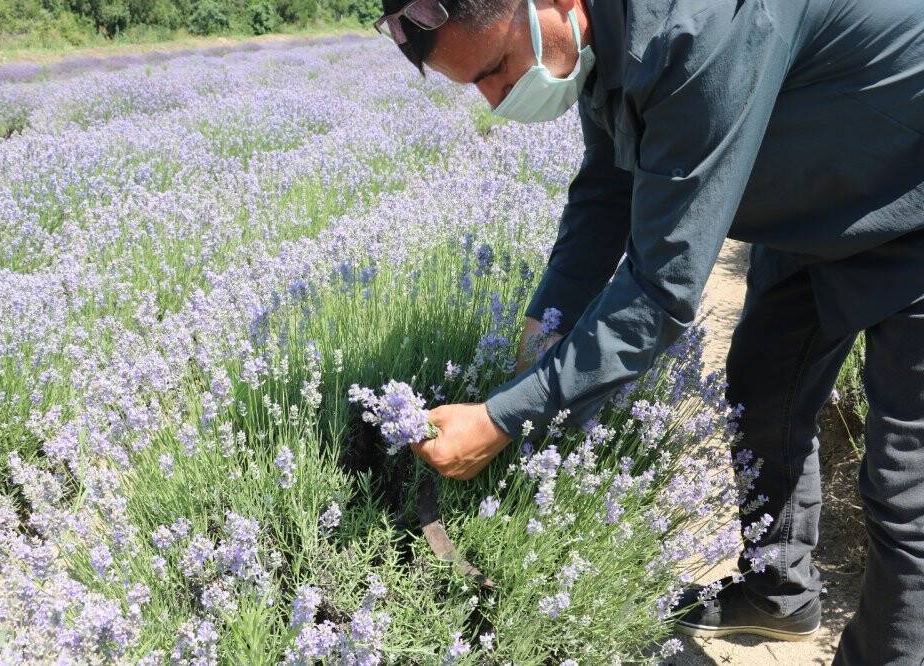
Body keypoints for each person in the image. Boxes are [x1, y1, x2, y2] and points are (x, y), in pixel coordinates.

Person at [379, 0, 924, 662]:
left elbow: (661, 290)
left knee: (905, 487)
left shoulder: (695, 27)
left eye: (496, 67)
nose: (496, 100)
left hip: (906, 186)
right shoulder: (601, 39)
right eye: (476, 85)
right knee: (763, 387)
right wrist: (545, 323)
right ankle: (779, 594)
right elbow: (608, 187)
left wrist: (502, 418)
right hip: (812, 191)